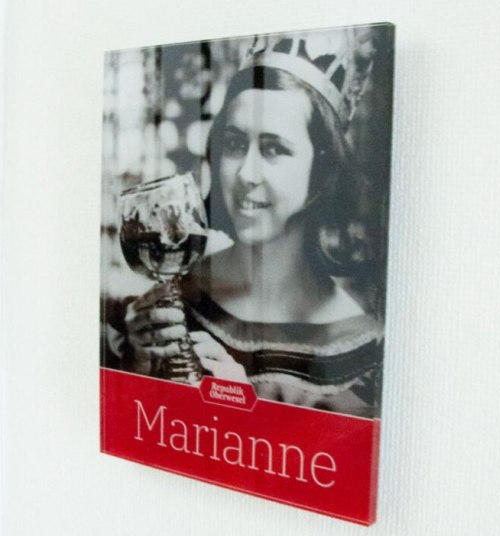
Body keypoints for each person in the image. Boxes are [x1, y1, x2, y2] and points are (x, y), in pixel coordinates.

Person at [121, 31, 384, 417]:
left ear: (322, 171)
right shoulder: (170, 301)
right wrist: (137, 367)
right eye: (234, 144)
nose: (246, 173)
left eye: (274, 148)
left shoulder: (360, 354)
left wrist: (244, 407)